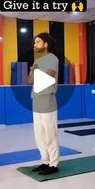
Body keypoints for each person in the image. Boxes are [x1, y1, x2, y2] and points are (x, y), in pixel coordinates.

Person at [27, 32, 59, 175]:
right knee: (39, 135)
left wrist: (35, 72)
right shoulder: (37, 61)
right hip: (36, 101)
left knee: (50, 134)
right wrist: (34, 71)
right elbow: (29, 81)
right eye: (34, 42)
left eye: (38, 42)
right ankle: (45, 161)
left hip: (47, 100)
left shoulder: (52, 58)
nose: (35, 45)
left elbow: (48, 76)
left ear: (46, 44)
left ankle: (53, 164)